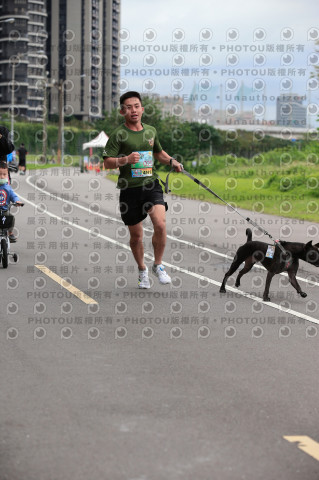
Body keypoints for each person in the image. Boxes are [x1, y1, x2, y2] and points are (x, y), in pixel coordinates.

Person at [103, 91, 183, 289]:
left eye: (136, 106)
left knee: (160, 224)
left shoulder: (150, 131)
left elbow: (158, 153)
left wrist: (172, 161)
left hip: (151, 184)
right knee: (136, 236)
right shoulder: (119, 134)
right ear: (123, 112)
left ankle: (158, 265)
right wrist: (125, 160)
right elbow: (106, 163)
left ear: (142, 109)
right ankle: (142, 270)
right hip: (129, 189)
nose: (133, 110)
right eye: (129, 107)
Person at [0, 162, 23, 242]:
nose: (2, 177)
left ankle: (10, 233)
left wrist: (17, 201)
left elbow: (13, 195)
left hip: (4, 211)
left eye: (4, 174)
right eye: (0, 174)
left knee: (11, 218)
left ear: (7, 176)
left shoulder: (8, 188)